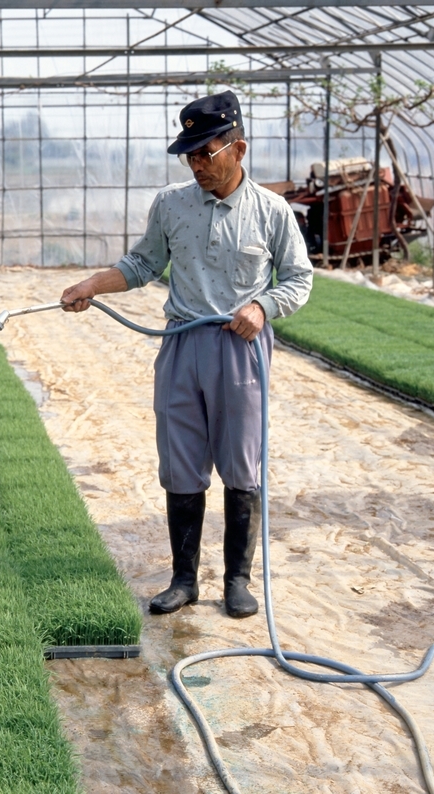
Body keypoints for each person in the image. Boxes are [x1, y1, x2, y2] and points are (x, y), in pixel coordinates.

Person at [61, 90, 313, 619]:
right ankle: (183, 580)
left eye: (206, 154)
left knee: (241, 464)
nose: (197, 165)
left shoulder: (271, 211)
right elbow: (142, 264)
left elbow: (298, 278)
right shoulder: (171, 204)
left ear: (238, 149)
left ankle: (237, 581)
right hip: (181, 344)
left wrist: (263, 307)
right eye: (189, 156)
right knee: (179, 463)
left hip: (240, 348)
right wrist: (92, 285)